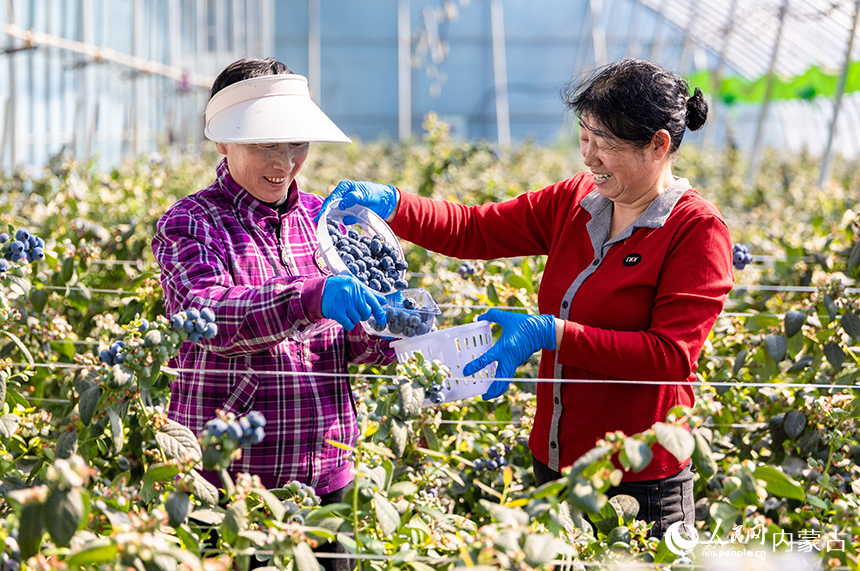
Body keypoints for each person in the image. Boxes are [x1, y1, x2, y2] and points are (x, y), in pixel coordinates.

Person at [319, 58, 734, 537]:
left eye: (606, 144)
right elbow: (476, 230)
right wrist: (395, 203)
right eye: (585, 137)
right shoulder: (577, 202)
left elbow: (669, 357)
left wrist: (549, 333)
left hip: (638, 486)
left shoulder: (696, 231)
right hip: (553, 465)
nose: (589, 157)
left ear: (658, 145)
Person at [153, 57, 393, 569]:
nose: (285, 160)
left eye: (296, 144)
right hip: (232, 483)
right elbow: (207, 315)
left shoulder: (322, 220)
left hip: (329, 471)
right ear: (222, 140)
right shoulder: (190, 223)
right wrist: (309, 296)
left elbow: (342, 337)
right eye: (266, 143)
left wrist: (383, 329)